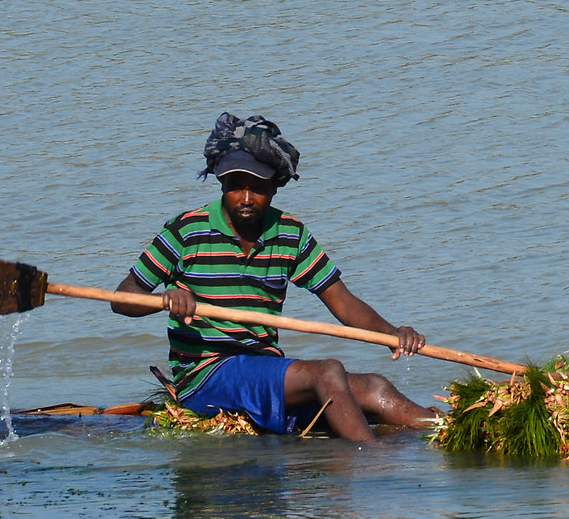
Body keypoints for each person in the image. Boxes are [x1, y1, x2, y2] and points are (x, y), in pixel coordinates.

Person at [113, 113, 440, 443]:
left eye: (257, 188)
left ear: (275, 188)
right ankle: (370, 463)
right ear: (222, 183)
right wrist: (164, 300)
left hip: (265, 368)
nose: (245, 198)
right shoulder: (186, 231)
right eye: (236, 186)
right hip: (206, 375)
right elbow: (121, 299)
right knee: (328, 373)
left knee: (375, 388)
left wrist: (391, 333)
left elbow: (342, 301)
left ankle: (448, 430)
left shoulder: (289, 234)